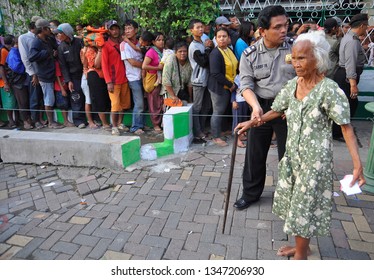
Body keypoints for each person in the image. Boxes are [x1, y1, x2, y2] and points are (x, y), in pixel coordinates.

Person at [235, 31, 366, 260]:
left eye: (302, 58)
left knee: (302, 209)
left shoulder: (329, 90)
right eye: (293, 58)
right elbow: (277, 109)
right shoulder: (293, 84)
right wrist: (253, 121)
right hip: (292, 158)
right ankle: (302, 247)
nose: (295, 63)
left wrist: (357, 166)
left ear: (318, 59)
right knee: (295, 207)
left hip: (313, 164)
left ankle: (300, 257)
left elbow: (345, 127)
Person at [234, 5, 296, 210]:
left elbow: (306, 79)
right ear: (262, 31)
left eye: (285, 25)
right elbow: (246, 85)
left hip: (288, 109)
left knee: (289, 156)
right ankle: (250, 194)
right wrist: (254, 107)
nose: (283, 30)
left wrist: (294, 104)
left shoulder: (295, 49)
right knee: (254, 154)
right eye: (277, 27)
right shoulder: (250, 54)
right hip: (261, 107)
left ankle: (290, 197)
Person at [333, 13, 368, 141]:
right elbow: (350, 63)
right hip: (346, 77)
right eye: (366, 26)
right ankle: (338, 132)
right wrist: (353, 84)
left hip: (345, 75)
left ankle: (340, 130)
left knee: (347, 104)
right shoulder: (352, 41)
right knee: (347, 105)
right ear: (362, 25)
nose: (366, 29)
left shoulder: (349, 38)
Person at [28, 19, 64, 129]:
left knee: (50, 98)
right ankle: (51, 122)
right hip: (44, 74)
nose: (50, 30)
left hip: (51, 72)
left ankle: (51, 121)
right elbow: (31, 57)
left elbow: (56, 48)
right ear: (43, 29)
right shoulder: (36, 42)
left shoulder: (48, 39)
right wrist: (47, 53)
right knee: (49, 98)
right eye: (48, 28)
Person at [208, 27, 238, 147]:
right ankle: (215, 136)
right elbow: (215, 73)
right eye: (219, 37)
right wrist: (230, 84)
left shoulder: (229, 49)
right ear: (215, 39)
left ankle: (222, 130)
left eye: (224, 36)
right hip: (218, 87)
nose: (222, 39)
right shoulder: (215, 53)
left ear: (229, 38)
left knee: (224, 110)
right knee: (218, 111)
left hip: (228, 85)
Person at [102, 20, 131, 136]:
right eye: (112, 29)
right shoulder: (105, 46)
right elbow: (104, 65)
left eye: (116, 28)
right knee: (115, 105)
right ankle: (114, 126)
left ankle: (120, 123)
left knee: (123, 104)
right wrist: (108, 81)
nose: (115, 31)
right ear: (108, 31)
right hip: (113, 81)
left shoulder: (123, 43)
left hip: (124, 78)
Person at [57, 23, 87, 129]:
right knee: (76, 98)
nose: (58, 35)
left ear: (66, 33)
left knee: (88, 97)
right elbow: (63, 66)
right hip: (73, 77)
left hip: (85, 74)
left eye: (60, 33)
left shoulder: (79, 42)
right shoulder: (61, 47)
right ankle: (79, 121)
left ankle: (93, 118)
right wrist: (68, 80)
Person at [188, 19, 214, 143]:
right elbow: (203, 62)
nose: (200, 29)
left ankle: (202, 129)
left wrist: (209, 47)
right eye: (197, 27)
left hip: (207, 79)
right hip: (198, 80)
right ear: (191, 30)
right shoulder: (193, 46)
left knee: (207, 105)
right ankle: (197, 132)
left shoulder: (203, 41)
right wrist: (208, 48)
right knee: (197, 107)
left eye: (201, 27)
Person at [18, 16, 45, 129]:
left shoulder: (41, 37)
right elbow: (25, 57)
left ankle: (41, 118)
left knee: (42, 97)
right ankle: (35, 120)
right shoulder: (24, 38)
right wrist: (32, 73)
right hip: (33, 74)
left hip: (44, 72)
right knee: (34, 97)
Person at [121, 19, 145, 135]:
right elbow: (133, 62)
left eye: (129, 28)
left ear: (136, 30)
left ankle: (141, 123)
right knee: (139, 103)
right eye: (125, 29)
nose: (127, 31)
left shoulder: (140, 43)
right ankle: (136, 127)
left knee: (143, 102)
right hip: (133, 78)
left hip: (143, 76)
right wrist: (147, 66)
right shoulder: (124, 45)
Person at [142, 32, 165, 134]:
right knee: (154, 103)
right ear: (153, 42)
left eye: (162, 40)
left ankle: (161, 123)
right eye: (158, 40)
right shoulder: (151, 52)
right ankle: (155, 124)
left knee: (161, 102)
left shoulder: (163, 51)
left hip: (162, 79)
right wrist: (157, 68)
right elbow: (144, 66)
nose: (161, 42)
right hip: (153, 79)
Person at [0, 35, 17, 128]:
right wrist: (6, 83)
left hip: (9, 80)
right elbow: (1, 67)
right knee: (9, 102)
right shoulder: (3, 51)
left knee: (12, 101)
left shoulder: (7, 50)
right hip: (4, 82)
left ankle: (15, 120)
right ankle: (11, 120)